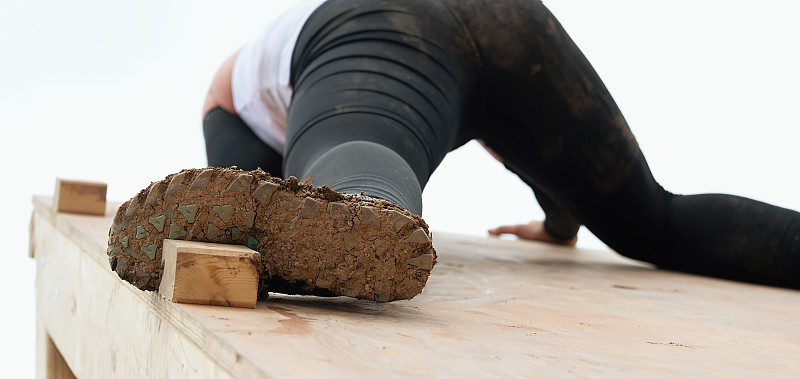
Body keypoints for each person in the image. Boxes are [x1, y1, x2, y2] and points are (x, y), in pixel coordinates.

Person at [201, 0, 799, 290]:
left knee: (335, 204)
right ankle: (365, 209)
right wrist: (560, 224)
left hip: (379, 21)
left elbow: (258, 198)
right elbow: (529, 146)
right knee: (656, 220)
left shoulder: (235, 92)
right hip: (506, 17)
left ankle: (365, 204)